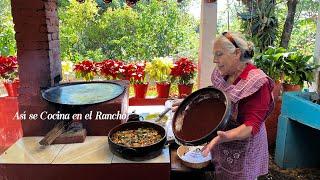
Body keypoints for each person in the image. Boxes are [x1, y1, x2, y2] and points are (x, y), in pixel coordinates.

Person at [172, 32, 274, 180]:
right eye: (214, 55)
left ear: (237, 53)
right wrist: (190, 104)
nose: (214, 60)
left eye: (219, 54)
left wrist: (226, 136)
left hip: (244, 149)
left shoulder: (257, 82)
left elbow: (251, 126)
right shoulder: (224, 73)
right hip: (222, 142)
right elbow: (214, 97)